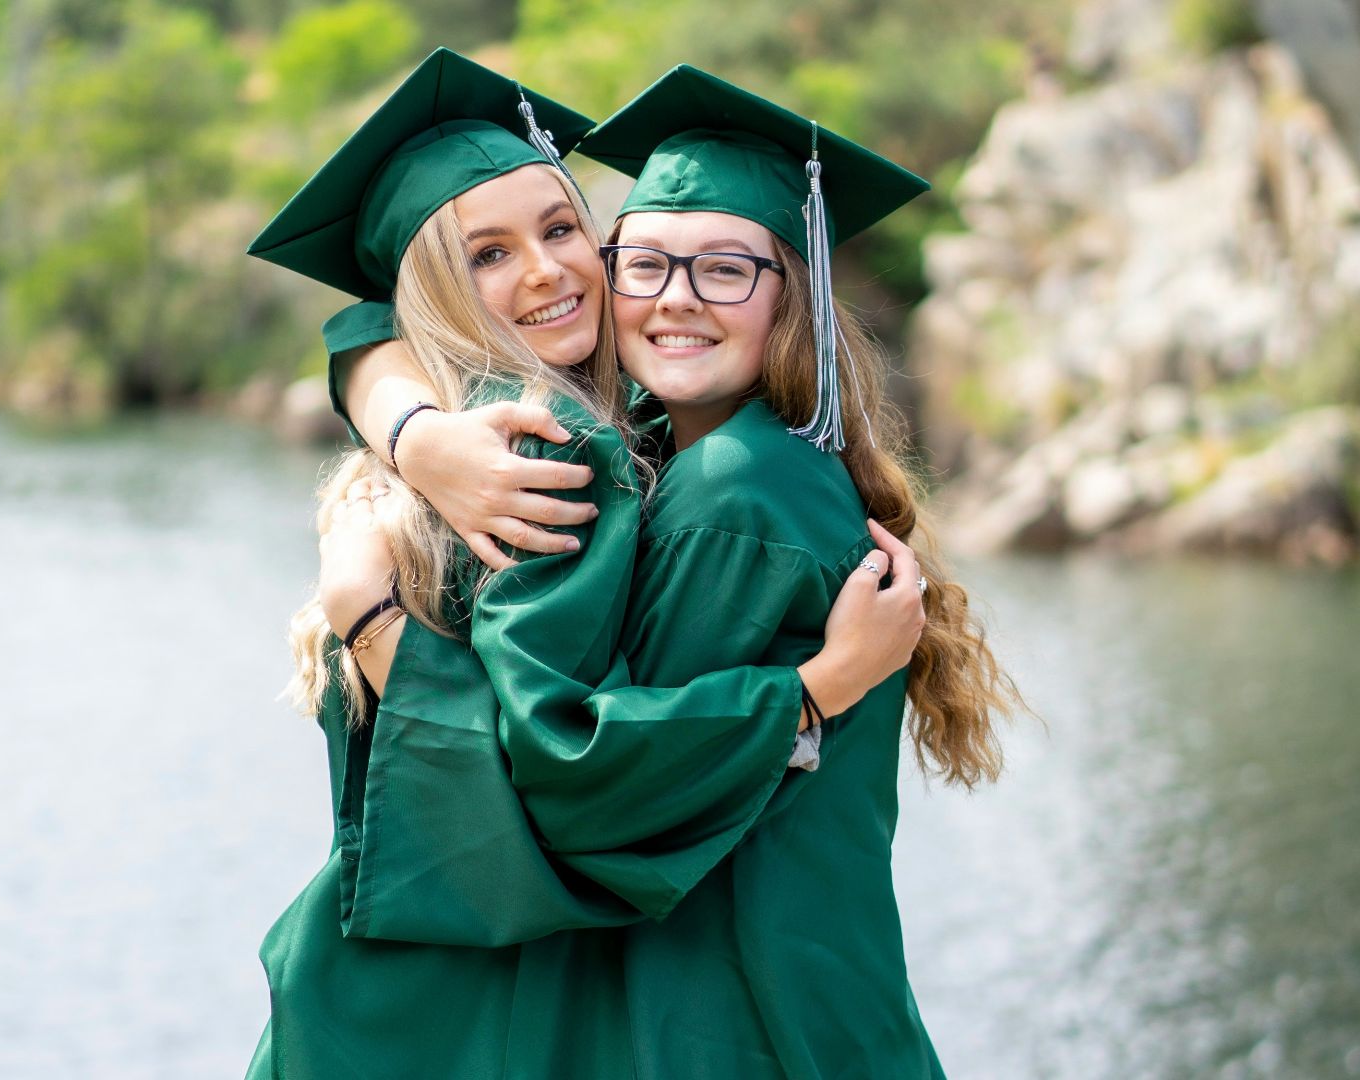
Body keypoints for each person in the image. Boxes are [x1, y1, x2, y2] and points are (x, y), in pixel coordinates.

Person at [314, 65, 1027, 1078]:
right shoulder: (659, 440)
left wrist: (373, 621)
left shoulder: (728, 497)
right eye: (644, 261)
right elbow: (361, 334)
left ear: (793, 293)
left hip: (738, 1010)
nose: (676, 298)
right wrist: (416, 433)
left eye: (727, 269)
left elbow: (581, 788)